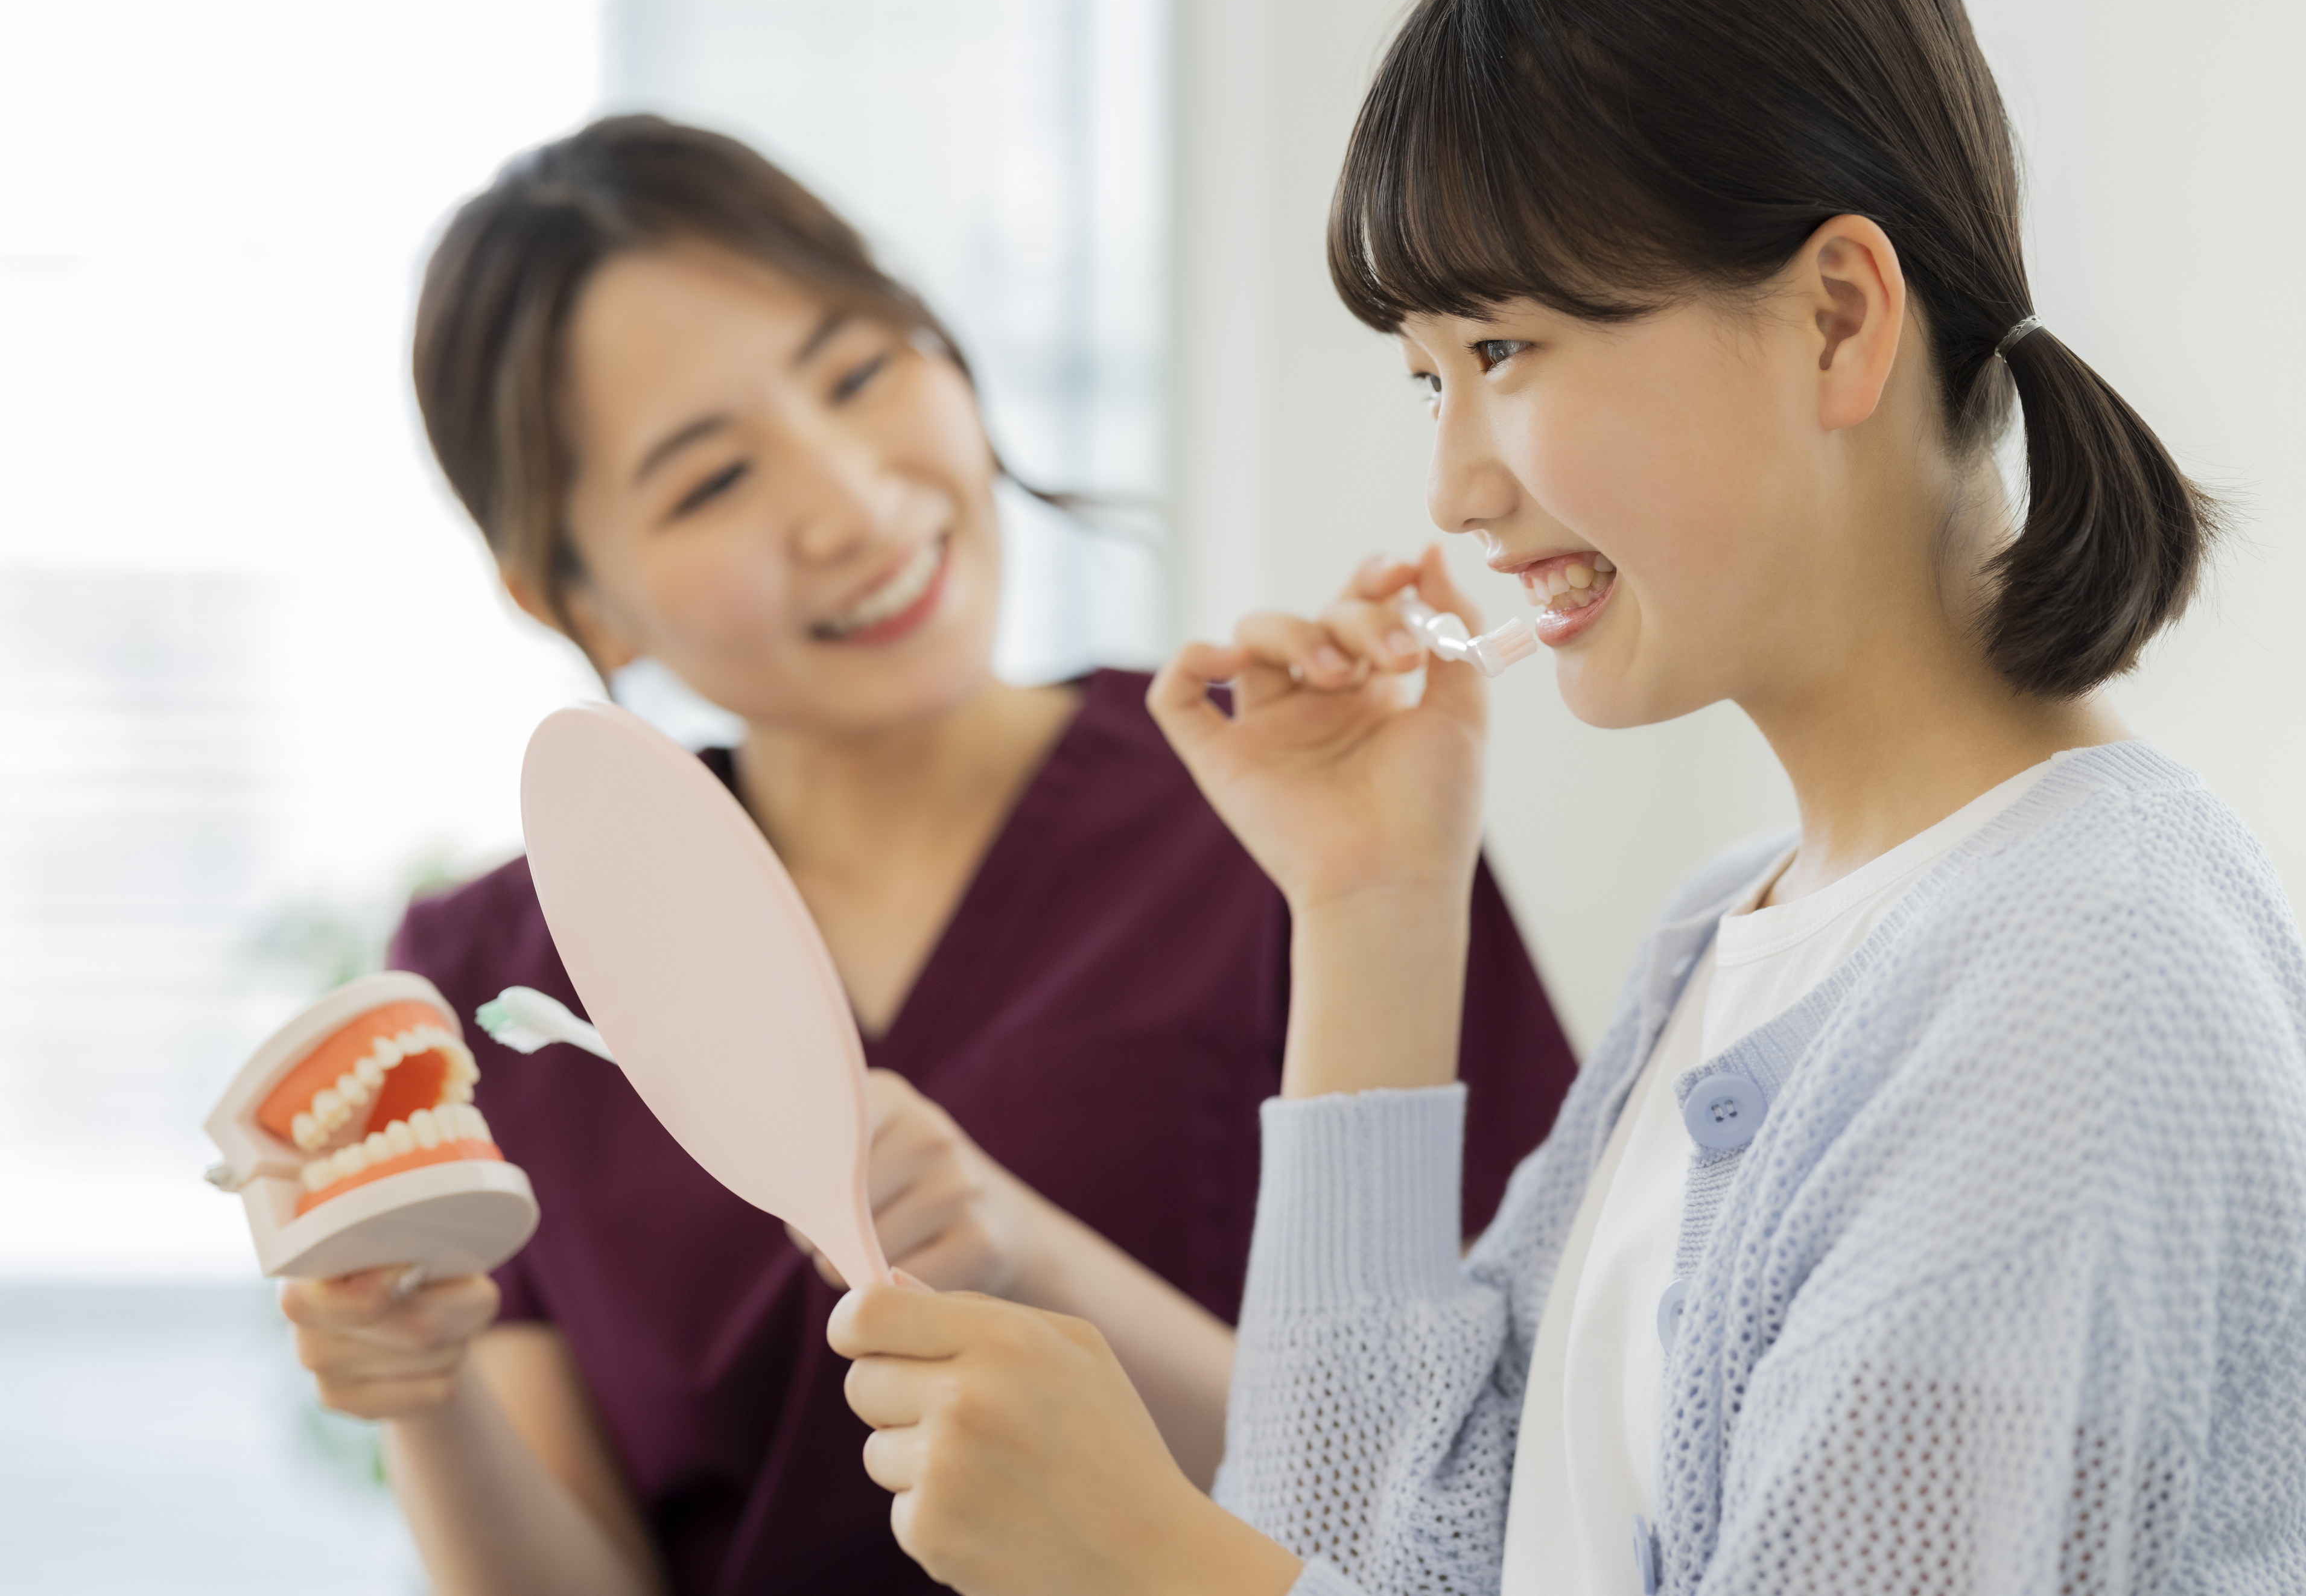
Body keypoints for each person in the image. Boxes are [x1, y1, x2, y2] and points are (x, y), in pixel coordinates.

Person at [822, 0, 2306, 1592]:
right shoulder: (1728, 928)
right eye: (1428, 379)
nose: (1454, 489)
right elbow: (1369, 1553)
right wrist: (1371, 905)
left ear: (1837, 319)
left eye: (1502, 350)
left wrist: (1150, 1564)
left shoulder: (2081, 983)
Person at [273, 115, 1575, 1596]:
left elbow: (1506, 1499)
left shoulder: (1305, 813)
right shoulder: (497, 979)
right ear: (568, 595)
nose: (852, 503)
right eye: (710, 480)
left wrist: (1026, 1257)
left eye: (857, 373)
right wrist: (421, 1382)